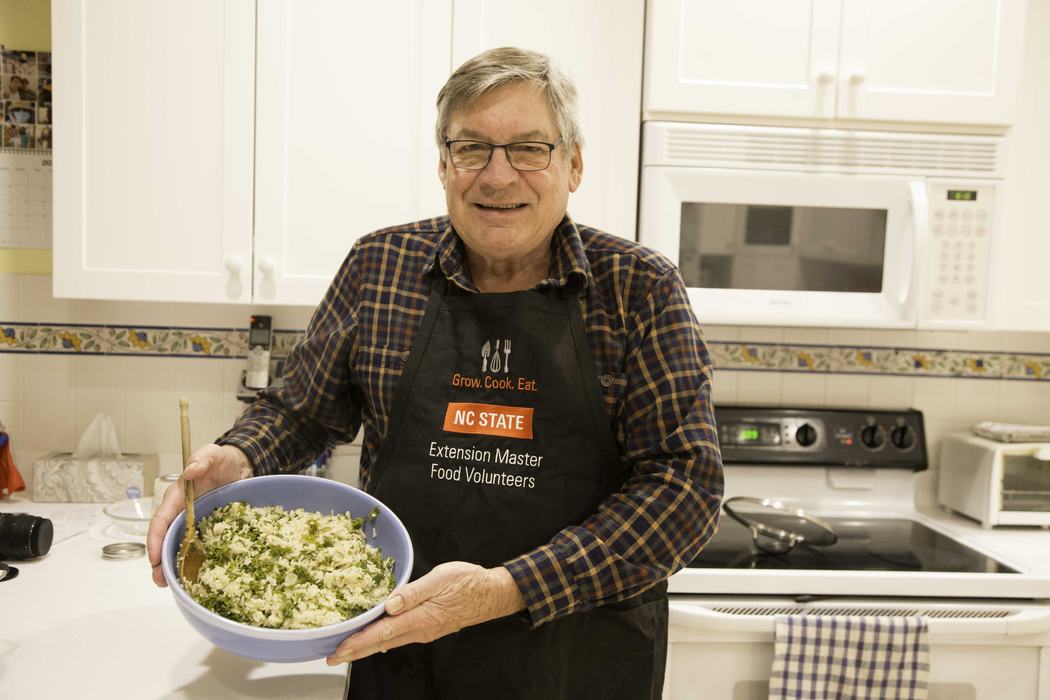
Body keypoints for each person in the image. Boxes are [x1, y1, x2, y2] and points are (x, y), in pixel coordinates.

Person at [147, 46, 722, 700]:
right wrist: (237, 455)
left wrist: (509, 589)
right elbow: (303, 411)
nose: (498, 176)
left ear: (574, 163)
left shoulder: (639, 289)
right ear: (444, 165)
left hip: (576, 657)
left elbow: (687, 489)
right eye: (471, 148)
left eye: (530, 148)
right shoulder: (381, 266)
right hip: (404, 649)